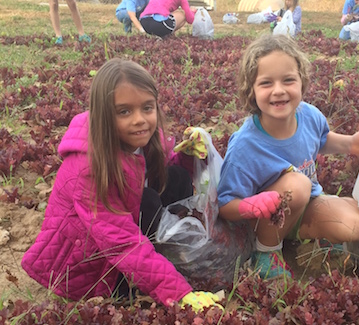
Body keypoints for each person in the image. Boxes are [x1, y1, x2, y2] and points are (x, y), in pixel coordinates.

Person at [21, 58, 219, 311]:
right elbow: (122, 242)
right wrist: (179, 294)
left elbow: (155, 172)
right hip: (91, 266)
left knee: (177, 175)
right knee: (148, 200)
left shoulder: (142, 137)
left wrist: (189, 156)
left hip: (120, 233)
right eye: (124, 111)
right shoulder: (88, 169)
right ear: (103, 115)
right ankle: (147, 272)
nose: (139, 119)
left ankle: (161, 257)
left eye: (147, 108)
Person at [217, 34, 359, 279]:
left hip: (304, 205)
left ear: (302, 82)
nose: (279, 91)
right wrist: (252, 205)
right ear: (251, 90)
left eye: (288, 80)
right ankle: (266, 253)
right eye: (266, 83)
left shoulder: (310, 115)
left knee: (356, 225)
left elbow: (322, 139)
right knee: (298, 183)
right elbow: (226, 205)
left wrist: (350, 144)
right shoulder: (245, 145)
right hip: (262, 222)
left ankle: (312, 235)